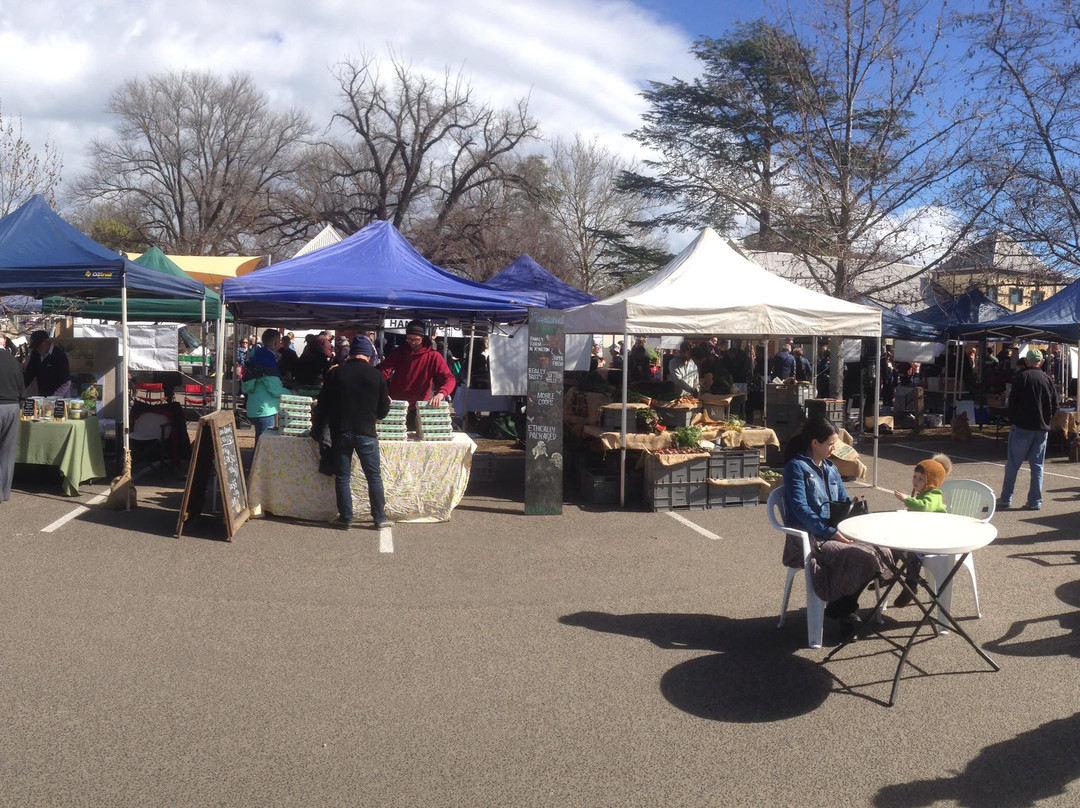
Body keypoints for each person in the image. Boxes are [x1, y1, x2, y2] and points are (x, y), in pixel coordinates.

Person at [782, 416, 892, 627]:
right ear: (815, 443)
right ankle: (845, 609)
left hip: (834, 528)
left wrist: (871, 520)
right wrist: (829, 532)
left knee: (883, 549)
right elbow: (801, 509)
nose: (834, 448)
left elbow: (844, 503)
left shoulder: (831, 468)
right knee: (859, 555)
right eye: (831, 444)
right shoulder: (796, 468)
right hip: (809, 535)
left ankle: (843, 606)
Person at [314, 334, 392, 530]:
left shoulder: (336, 373)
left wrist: (318, 430)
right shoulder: (378, 376)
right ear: (368, 354)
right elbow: (382, 412)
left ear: (351, 353)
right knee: (373, 476)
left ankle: (346, 519)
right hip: (367, 432)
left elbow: (323, 404)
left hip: (341, 431)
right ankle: (380, 519)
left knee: (342, 476)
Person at [999, 349, 1058, 511]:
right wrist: (1047, 420)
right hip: (1041, 428)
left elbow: (1013, 402)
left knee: (1013, 464)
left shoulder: (1020, 377)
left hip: (1022, 427)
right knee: (1037, 466)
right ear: (1042, 362)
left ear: (1026, 361)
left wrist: (1013, 421)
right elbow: (1055, 405)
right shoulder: (1047, 379)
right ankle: (1035, 501)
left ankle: (1006, 498)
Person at [891, 455, 950, 607]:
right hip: (920, 535)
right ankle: (888, 572)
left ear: (931, 482)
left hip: (933, 538)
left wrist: (907, 500)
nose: (915, 481)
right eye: (914, 477)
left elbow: (924, 506)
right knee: (893, 544)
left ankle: (911, 585)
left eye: (921, 479)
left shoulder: (934, 495)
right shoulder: (922, 494)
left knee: (914, 553)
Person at [379, 320, 456, 426]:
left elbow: (449, 378)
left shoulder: (433, 356)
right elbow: (383, 371)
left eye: (416, 339)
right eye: (409, 339)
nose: (412, 342)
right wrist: (382, 391)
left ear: (423, 337)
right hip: (395, 405)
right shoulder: (399, 352)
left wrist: (440, 394)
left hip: (420, 407)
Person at [241, 329, 285, 443]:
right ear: (276, 342)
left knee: (260, 440)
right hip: (264, 408)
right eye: (280, 341)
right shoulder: (268, 361)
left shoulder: (257, 356)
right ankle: (255, 461)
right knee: (263, 443)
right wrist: (290, 393)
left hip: (256, 406)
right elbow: (274, 388)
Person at [0, 346, 24, 502]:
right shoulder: (13, 360)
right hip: (13, 406)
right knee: (8, 452)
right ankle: (4, 492)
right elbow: (22, 385)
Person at [23, 330, 71, 397]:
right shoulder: (35, 354)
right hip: (43, 396)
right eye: (35, 346)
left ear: (46, 341)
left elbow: (66, 382)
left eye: (39, 345)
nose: (37, 348)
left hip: (59, 398)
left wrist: (53, 398)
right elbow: (29, 375)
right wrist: (19, 389)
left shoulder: (59, 355)